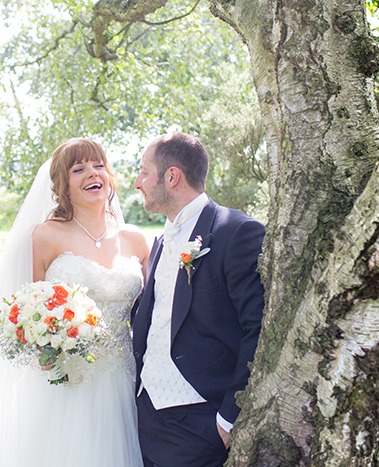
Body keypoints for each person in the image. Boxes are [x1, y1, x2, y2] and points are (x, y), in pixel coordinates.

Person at [0, 138, 150, 467]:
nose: (92, 173)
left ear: (109, 176)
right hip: (65, 383)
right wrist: (50, 341)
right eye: (78, 168)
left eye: (98, 165)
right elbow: (24, 314)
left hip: (124, 377)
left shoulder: (134, 238)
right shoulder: (44, 237)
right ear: (62, 185)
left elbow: (154, 310)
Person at [132, 132, 265, 467]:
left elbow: (259, 329)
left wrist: (227, 419)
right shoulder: (161, 241)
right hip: (146, 415)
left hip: (201, 422)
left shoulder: (237, 231)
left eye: (144, 172)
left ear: (172, 176)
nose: (137, 183)